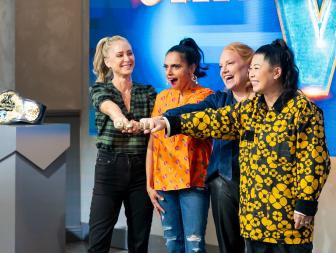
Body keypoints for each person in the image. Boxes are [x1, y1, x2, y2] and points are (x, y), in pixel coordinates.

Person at [142, 39, 331, 253]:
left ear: (276, 73)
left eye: (256, 68)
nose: (251, 74)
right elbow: (210, 119)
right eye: (251, 69)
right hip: (255, 221)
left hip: (287, 221)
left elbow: (314, 161)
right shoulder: (249, 110)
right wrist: (168, 122)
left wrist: (306, 203)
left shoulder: (302, 109)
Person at [162, 42, 254, 253]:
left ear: (250, 65)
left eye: (230, 63)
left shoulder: (265, 101)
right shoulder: (219, 100)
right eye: (221, 66)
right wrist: (164, 118)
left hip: (259, 185)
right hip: (224, 183)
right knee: (229, 246)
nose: (224, 70)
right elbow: (192, 111)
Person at [88, 35, 156, 253]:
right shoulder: (100, 89)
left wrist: (146, 125)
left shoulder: (147, 92)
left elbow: (156, 125)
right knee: (98, 240)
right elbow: (107, 105)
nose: (127, 58)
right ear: (108, 62)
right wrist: (119, 119)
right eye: (120, 55)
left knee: (139, 240)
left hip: (140, 170)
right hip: (109, 167)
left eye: (129, 53)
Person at [146, 38, 213, 253]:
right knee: (172, 242)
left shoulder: (207, 97)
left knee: (194, 244)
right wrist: (149, 184)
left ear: (192, 68)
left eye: (176, 66)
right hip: (164, 182)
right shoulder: (162, 98)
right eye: (166, 66)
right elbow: (153, 144)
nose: (169, 72)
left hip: (195, 181)